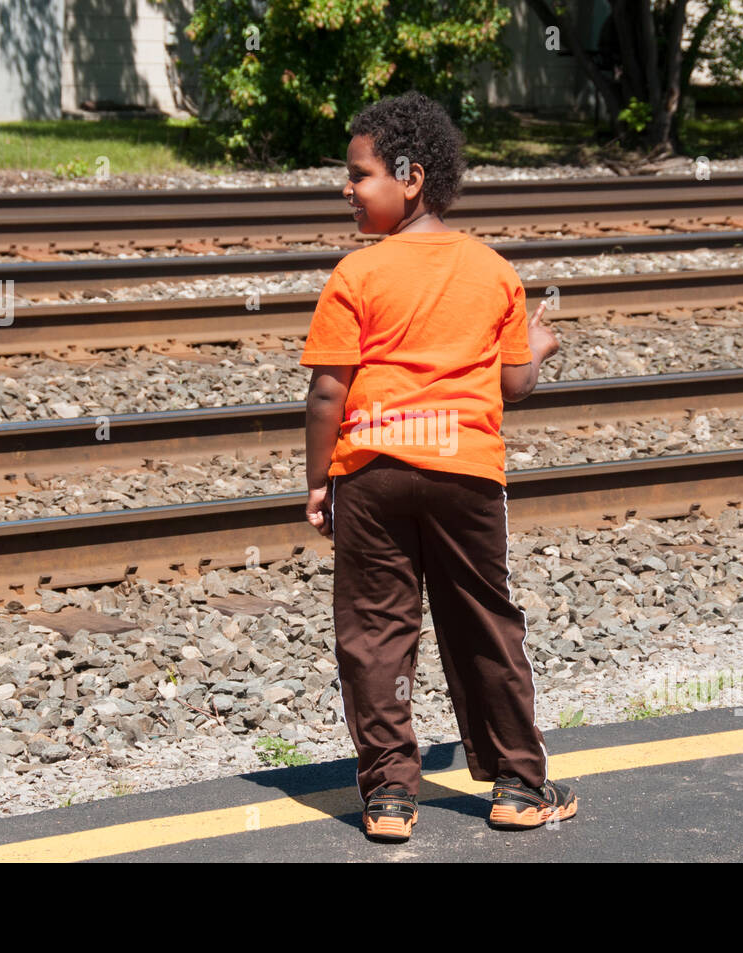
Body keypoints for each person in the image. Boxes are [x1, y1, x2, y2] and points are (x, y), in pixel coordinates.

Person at [300, 91, 579, 843]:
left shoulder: (356, 276)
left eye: (358, 176)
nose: (348, 192)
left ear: (410, 176)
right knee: (483, 619)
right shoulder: (492, 270)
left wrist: (317, 480)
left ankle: (390, 794)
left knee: (374, 628)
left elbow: (329, 390)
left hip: (373, 470)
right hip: (464, 470)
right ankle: (519, 784)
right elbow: (512, 384)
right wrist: (541, 346)